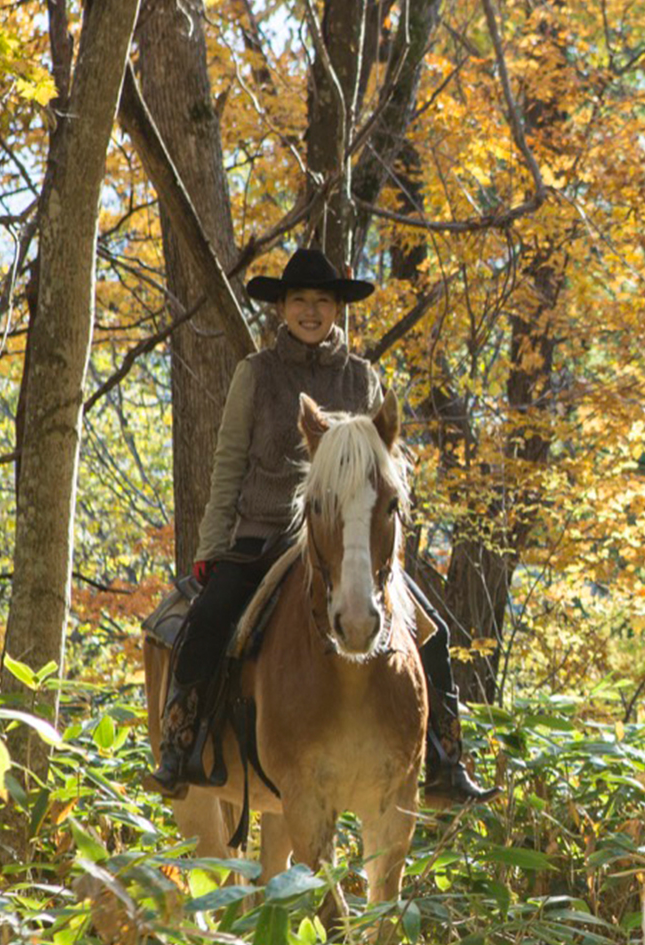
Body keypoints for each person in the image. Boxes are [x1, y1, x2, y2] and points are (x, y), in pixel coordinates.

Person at [145, 246, 498, 805]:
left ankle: (444, 758)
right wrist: (214, 549)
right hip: (264, 537)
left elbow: (386, 483)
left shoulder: (363, 380)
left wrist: (390, 555)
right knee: (208, 620)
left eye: (323, 302)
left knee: (434, 634)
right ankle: (182, 743)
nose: (311, 311)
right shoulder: (255, 375)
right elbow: (229, 463)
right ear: (281, 308)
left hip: (350, 542)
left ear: (338, 311)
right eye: (300, 301)